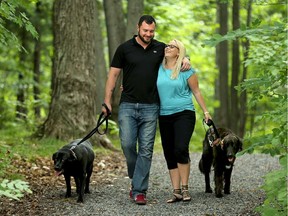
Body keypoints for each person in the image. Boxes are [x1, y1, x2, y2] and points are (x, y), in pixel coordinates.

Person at [102, 15, 190, 205]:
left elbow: (177, 52)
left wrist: (187, 59)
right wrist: (107, 102)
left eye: (151, 31)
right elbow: (113, 76)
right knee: (127, 144)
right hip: (127, 105)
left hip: (151, 107)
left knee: (146, 150)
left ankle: (139, 190)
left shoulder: (160, 48)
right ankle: (137, 180)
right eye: (145, 31)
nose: (149, 34)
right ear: (138, 28)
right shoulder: (124, 49)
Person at [156, 39, 212, 203]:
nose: (167, 48)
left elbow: (196, 91)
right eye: (167, 45)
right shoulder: (158, 68)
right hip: (164, 115)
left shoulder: (186, 69)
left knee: (180, 148)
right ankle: (176, 191)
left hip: (184, 114)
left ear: (179, 52)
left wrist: (206, 111)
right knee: (169, 152)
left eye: (172, 46)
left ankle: (186, 187)